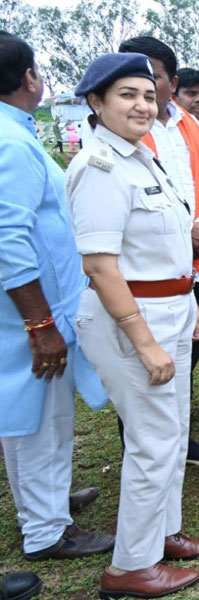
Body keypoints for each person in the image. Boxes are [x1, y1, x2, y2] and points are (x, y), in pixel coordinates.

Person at [68, 52, 199, 598]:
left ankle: (162, 533)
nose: (141, 104)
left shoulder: (140, 157)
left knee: (172, 430)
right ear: (96, 102)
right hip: (132, 319)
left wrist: (191, 303)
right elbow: (101, 266)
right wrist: (146, 342)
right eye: (126, 95)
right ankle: (130, 566)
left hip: (172, 306)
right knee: (153, 440)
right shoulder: (98, 167)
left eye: (148, 94)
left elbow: (165, 249)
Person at [0, 30, 112, 564]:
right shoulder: (10, 141)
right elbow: (8, 239)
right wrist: (39, 325)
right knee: (40, 420)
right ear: (29, 78)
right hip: (33, 315)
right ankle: (47, 531)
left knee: (35, 418)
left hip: (42, 308)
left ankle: (49, 503)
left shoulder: (13, 133)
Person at [118, 36, 199, 466]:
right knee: (146, 368)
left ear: (171, 80)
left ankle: (179, 444)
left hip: (196, 265)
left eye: (152, 77)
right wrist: (185, 232)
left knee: (189, 354)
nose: (142, 88)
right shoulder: (123, 131)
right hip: (147, 274)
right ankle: (142, 451)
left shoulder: (190, 126)